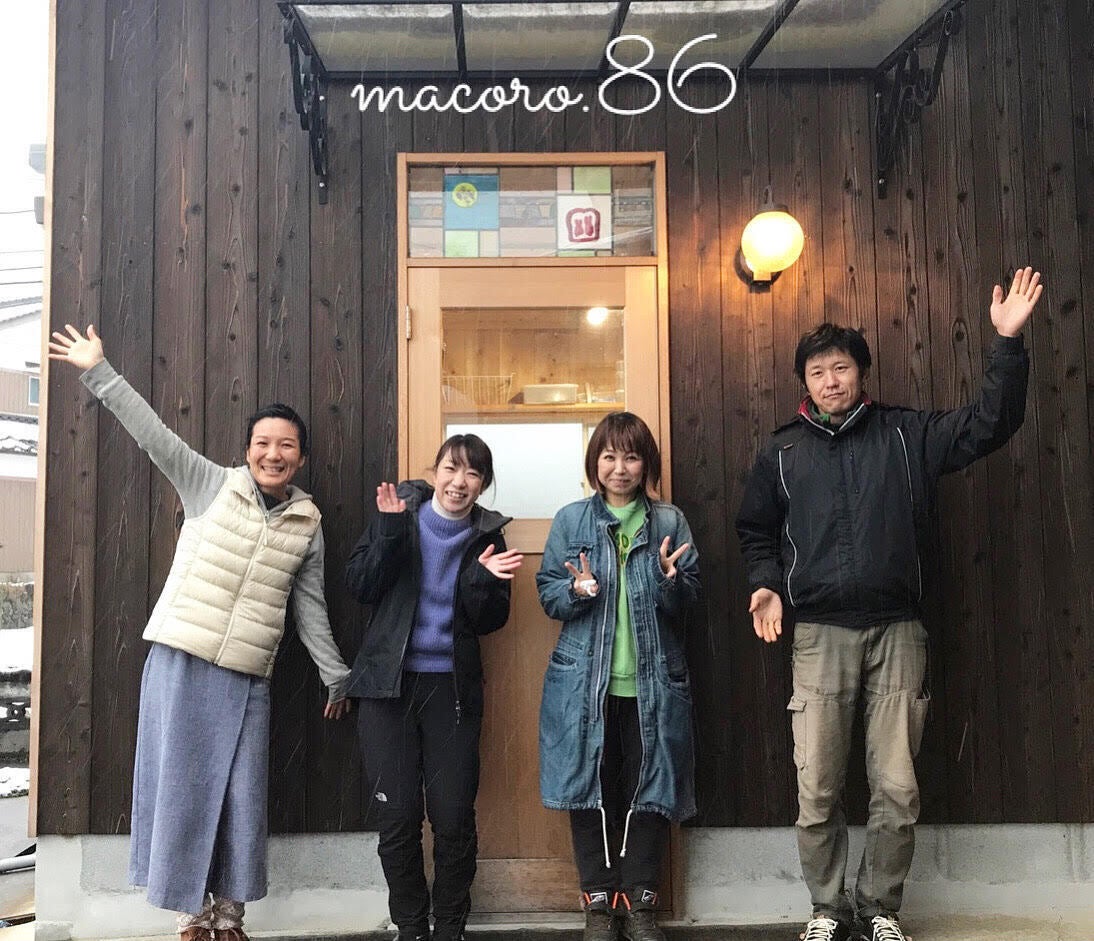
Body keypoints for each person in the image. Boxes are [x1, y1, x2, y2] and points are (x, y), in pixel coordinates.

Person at [734, 267, 1043, 941]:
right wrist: (765, 581)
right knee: (817, 787)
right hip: (818, 634)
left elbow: (991, 422)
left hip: (899, 631)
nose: (830, 380)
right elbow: (755, 530)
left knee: (897, 787)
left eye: (841, 368)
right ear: (804, 382)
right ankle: (826, 908)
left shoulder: (907, 435)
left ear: (861, 373)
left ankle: (879, 908)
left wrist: (1008, 343)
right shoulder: (782, 451)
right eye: (818, 372)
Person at [47, 324, 352, 941]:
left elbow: (309, 608)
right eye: (263, 443)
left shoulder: (308, 522)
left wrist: (336, 675)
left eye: (286, 446)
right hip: (183, 661)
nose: (273, 454)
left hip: (248, 675)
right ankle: (191, 915)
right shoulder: (209, 483)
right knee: (182, 790)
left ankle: (231, 916)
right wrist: (98, 370)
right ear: (247, 450)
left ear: (300, 458)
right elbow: (152, 434)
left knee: (242, 796)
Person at [344, 435, 522, 941]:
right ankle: (410, 926)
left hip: (452, 690)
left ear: (483, 484)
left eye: (472, 473)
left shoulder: (488, 537)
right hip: (389, 686)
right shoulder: (400, 514)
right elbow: (360, 586)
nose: (459, 482)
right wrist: (388, 533)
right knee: (397, 817)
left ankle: (449, 927)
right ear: (435, 471)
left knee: (453, 817)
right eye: (451, 468)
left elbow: (491, 621)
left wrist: (481, 582)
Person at [537, 412, 700, 941]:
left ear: (645, 463)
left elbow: (690, 597)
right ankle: (598, 904)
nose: (620, 468)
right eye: (609, 456)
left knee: (648, 786)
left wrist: (672, 582)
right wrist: (575, 591)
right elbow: (549, 594)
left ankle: (641, 903)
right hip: (586, 684)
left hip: (654, 683)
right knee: (591, 788)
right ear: (595, 462)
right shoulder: (571, 520)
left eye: (631, 457)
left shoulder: (669, 520)